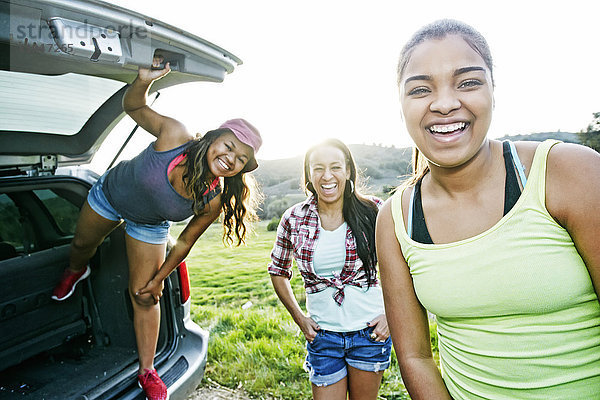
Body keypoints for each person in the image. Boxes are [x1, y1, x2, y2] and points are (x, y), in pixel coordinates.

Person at [376, 18, 600, 399]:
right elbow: (415, 357)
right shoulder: (395, 219)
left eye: (468, 82)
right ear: (400, 106)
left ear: (494, 92)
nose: (445, 103)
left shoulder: (571, 172)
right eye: (420, 89)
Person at [51, 58, 262, 400]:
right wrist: (143, 81)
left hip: (148, 225)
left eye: (240, 160)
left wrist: (159, 278)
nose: (231, 159)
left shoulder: (213, 197)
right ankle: (76, 271)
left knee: (144, 296)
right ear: (214, 138)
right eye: (230, 146)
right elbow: (133, 105)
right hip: (110, 196)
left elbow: (182, 243)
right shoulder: (175, 135)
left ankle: (147, 372)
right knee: (80, 246)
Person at [268, 138, 391, 400]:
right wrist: (300, 318)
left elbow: (404, 266)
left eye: (335, 167)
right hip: (323, 338)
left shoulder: (375, 210)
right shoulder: (294, 217)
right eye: (318, 168)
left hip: (369, 334)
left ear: (348, 171)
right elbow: (277, 270)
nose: (327, 176)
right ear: (309, 176)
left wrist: (390, 316)